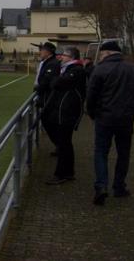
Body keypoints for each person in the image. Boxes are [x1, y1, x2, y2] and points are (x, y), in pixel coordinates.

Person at [87, 40, 134, 205]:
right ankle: (119, 187)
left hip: (104, 118)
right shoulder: (133, 69)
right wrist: (132, 112)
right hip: (125, 119)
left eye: (102, 53)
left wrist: (93, 114)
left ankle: (101, 186)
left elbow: (91, 96)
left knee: (101, 152)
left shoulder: (99, 69)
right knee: (123, 153)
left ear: (107, 53)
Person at [42, 47, 86, 185]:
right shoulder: (68, 69)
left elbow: (57, 83)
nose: (61, 57)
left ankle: (62, 174)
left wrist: (56, 79)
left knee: (64, 143)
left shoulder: (76, 70)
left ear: (72, 57)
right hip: (63, 111)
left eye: (64, 55)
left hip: (67, 112)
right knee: (64, 143)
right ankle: (67, 172)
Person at [34, 42, 61, 155]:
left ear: (48, 52)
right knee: (47, 122)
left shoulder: (53, 63)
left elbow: (47, 81)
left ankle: (60, 146)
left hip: (49, 99)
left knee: (49, 123)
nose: (40, 52)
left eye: (42, 50)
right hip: (46, 98)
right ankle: (59, 146)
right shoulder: (47, 62)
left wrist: (39, 89)